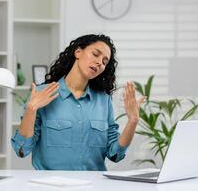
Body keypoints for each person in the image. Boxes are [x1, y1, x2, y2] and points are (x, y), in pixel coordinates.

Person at [11, 34, 145, 170]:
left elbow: (115, 153)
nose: (100, 62)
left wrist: (132, 121)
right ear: (78, 52)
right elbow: (22, 149)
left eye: (104, 62)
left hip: (94, 185)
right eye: (95, 54)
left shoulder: (103, 100)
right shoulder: (42, 94)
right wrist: (31, 108)